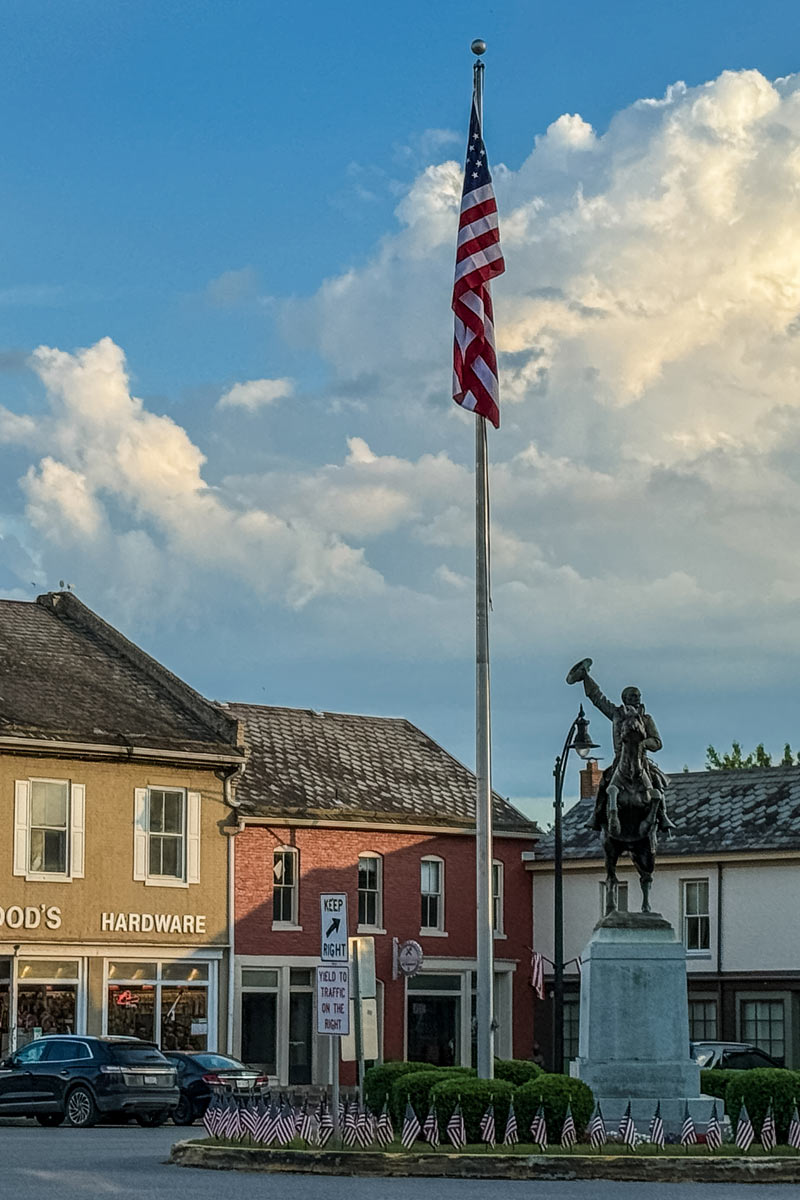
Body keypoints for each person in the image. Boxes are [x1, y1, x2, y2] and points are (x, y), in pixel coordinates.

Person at [566, 659, 674, 834]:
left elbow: (657, 742)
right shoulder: (616, 714)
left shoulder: (646, 719)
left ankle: (663, 816)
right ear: (625, 699)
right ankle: (596, 815)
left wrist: (642, 743)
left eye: (638, 696)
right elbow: (597, 697)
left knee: (657, 782)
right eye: (632, 696)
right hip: (620, 760)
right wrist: (586, 677)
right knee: (603, 784)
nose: (636, 699)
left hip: (641, 760)